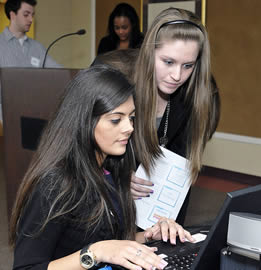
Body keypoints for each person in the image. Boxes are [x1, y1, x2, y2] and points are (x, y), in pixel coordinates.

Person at [9, 66, 194, 270]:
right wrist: (94, 253)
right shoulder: (54, 183)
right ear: (84, 121)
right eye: (116, 120)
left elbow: (111, 240)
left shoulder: (112, 169)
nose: (129, 128)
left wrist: (149, 235)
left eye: (131, 118)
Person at [132, 8, 221, 225]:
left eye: (188, 65)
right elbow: (82, 156)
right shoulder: (119, 88)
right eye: (168, 62)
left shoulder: (193, 101)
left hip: (156, 215)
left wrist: (169, 231)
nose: (177, 76)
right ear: (149, 53)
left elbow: (179, 180)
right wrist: (113, 179)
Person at [0, 0, 60, 67]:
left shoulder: (38, 48)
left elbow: (59, 71)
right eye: (26, 15)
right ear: (13, 15)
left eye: (32, 15)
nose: (31, 20)